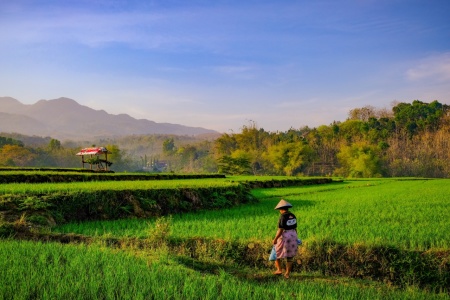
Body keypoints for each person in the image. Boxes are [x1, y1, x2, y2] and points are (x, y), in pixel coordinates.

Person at [272, 199, 298, 279]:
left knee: (276, 252)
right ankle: (287, 274)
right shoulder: (293, 215)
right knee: (290, 256)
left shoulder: (282, 216)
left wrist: (275, 239)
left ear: (281, 209)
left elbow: (281, 229)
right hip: (293, 235)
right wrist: (296, 237)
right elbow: (295, 227)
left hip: (285, 236)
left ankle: (279, 269)